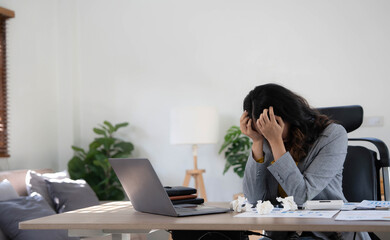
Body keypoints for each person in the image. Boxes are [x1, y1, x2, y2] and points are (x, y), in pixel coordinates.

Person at [241, 83, 370, 240]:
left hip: (327, 234)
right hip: (283, 235)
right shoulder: (265, 140)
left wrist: (276, 141)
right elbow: (254, 200)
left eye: (270, 128)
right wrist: (256, 142)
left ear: (289, 115)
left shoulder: (333, 135)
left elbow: (301, 196)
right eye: (261, 130)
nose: (267, 135)